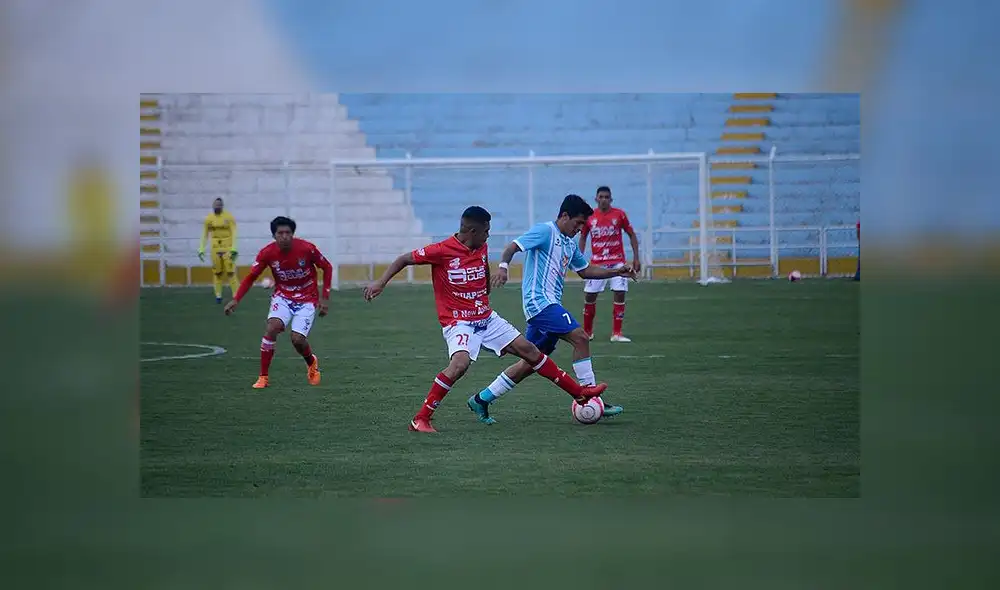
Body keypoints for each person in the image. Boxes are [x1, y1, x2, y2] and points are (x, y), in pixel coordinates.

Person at [363, 205, 608, 434]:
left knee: (531, 351)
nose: (488, 236)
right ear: (471, 231)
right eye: (486, 232)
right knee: (459, 365)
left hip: (486, 317)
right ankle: (421, 418)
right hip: (458, 321)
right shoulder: (441, 251)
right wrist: (380, 282)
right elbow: (404, 259)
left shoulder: (480, 246)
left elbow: (482, 266)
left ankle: (580, 394)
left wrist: (486, 287)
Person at [466, 195, 636, 425]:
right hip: (539, 303)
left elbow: (585, 271)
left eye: (582, 225)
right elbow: (512, 247)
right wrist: (503, 268)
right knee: (581, 338)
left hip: (547, 305)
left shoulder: (569, 243)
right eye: (577, 223)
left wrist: (617, 271)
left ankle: (482, 398)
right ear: (564, 216)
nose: (579, 229)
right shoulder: (545, 231)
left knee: (531, 362)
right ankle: (590, 396)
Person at [224, 216, 332, 389]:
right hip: (283, 297)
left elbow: (327, 267)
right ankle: (263, 377)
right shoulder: (267, 253)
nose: (284, 236)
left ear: (293, 234)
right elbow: (251, 276)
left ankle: (311, 361)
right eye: (280, 233)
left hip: (307, 299)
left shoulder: (307, 249)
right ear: (274, 235)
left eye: (288, 233)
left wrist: (324, 297)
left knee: (297, 340)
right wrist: (236, 299)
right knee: (272, 327)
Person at [579, 186, 641, 342]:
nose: (604, 199)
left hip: (617, 261)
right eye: (601, 196)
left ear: (611, 199)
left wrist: (636, 258)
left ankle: (617, 333)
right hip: (597, 263)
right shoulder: (590, 217)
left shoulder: (619, 215)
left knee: (620, 292)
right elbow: (583, 238)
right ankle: (587, 332)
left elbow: (631, 235)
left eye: (607, 197)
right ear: (596, 199)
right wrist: (578, 259)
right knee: (590, 295)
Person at [199, 197, 240, 303]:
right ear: (213, 206)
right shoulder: (209, 219)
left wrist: (234, 248)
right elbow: (205, 234)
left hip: (228, 248)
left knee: (231, 272)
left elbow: (234, 232)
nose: (217, 206)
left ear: (222, 206)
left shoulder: (228, 217)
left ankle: (236, 295)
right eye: (215, 204)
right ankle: (218, 296)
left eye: (219, 205)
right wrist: (201, 248)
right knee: (217, 273)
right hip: (215, 248)